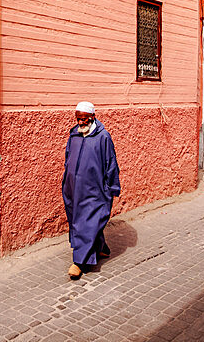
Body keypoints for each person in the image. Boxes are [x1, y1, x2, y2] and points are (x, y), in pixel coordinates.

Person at [62, 101, 120, 280]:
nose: (80, 123)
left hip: (95, 190)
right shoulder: (74, 135)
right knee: (81, 220)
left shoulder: (103, 137)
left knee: (86, 222)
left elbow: (111, 163)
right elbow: (68, 158)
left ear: (93, 117)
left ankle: (79, 262)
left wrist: (112, 187)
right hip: (74, 188)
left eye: (84, 119)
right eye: (78, 119)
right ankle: (100, 247)